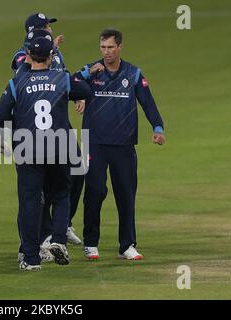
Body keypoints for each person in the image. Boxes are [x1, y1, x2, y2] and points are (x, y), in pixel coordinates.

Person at [0, 37, 92, 270]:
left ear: (28, 56)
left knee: (30, 202)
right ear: (51, 57)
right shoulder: (62, 78)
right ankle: (58, 240)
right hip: (58, 146)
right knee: (60, 195)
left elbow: (1, 112)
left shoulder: (16, 82)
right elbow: (85, 90)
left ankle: (30, 258)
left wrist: (2, 135)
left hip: (28, 149)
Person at [73, 29, 165, 260]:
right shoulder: (92, 70)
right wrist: (84, 75)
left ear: (120, 47)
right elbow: (68, 84)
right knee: (94, 191)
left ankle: (127, 245)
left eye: (110, 47)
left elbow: (147, 102)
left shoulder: (133, 73)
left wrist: (157, 127)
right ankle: (91, 242)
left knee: (126, 194)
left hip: (123, 144)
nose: (106, 52)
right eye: (103, 47)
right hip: (94, 141)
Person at [11, 14, 84, 253]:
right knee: (39, 188)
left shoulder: (55, 52)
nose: (51, 28)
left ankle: (60, 227)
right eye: (46, 26)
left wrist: (77, 95)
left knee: (77, 171)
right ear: (35, 32)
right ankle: (45, 236)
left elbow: (64, 76)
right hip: (33, 130)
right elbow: (28, 71)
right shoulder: (22, 55)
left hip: (58, 124)